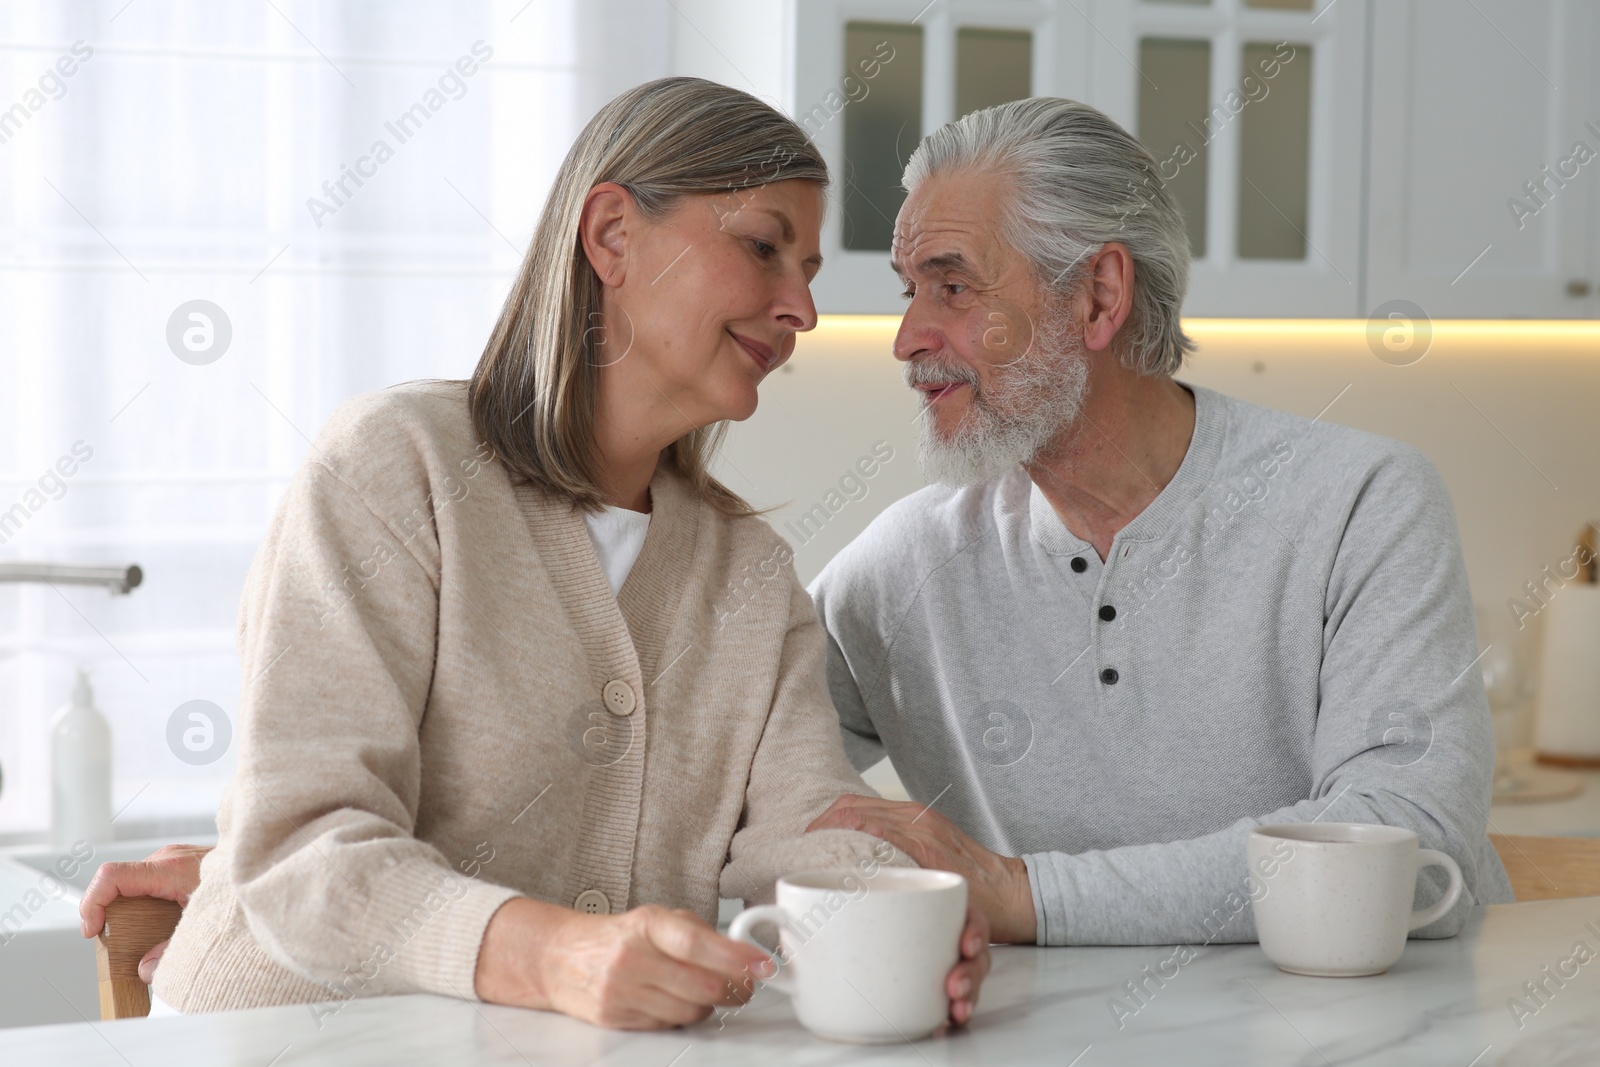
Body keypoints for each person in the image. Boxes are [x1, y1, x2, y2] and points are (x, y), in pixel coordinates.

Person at [80, 77, 989, 1031]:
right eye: (763, 248)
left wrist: (899, 915)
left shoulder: (750, 573)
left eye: (805, 267)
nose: (801, 306)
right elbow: (305, 849)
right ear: (611, 236)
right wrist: (553, 953)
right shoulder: (396, 468)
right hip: (279, 1037)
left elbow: (815, 823)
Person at [805, 96, 1515, 946]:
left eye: (952, 287)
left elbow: (1408, 843)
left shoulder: (1362, 502)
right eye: (910, 291)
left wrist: (1027, 896)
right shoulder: (902, 566)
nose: (908, 336)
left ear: (1099, 297)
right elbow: (727, 784)